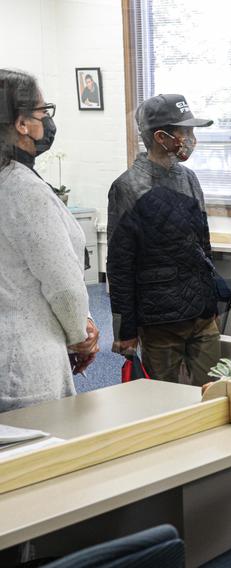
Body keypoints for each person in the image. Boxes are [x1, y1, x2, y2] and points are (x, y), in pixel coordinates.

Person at [0, 69, 98, 412]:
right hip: (24, 364)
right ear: (22, 124)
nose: (47, 123)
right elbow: (63, 286)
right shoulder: (23, 189)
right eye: (43, 113)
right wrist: (81, 335)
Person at [107, 94, 221, 386]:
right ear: (161, 136)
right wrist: (125, 330)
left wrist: (211, 303)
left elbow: (203, 246)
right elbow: (120, 265)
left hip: (202, 315)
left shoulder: (190, 178)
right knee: (166, 406)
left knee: (214, 397)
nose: (192, 138)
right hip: (160, 321)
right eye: (186, 131)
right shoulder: (127, 187)